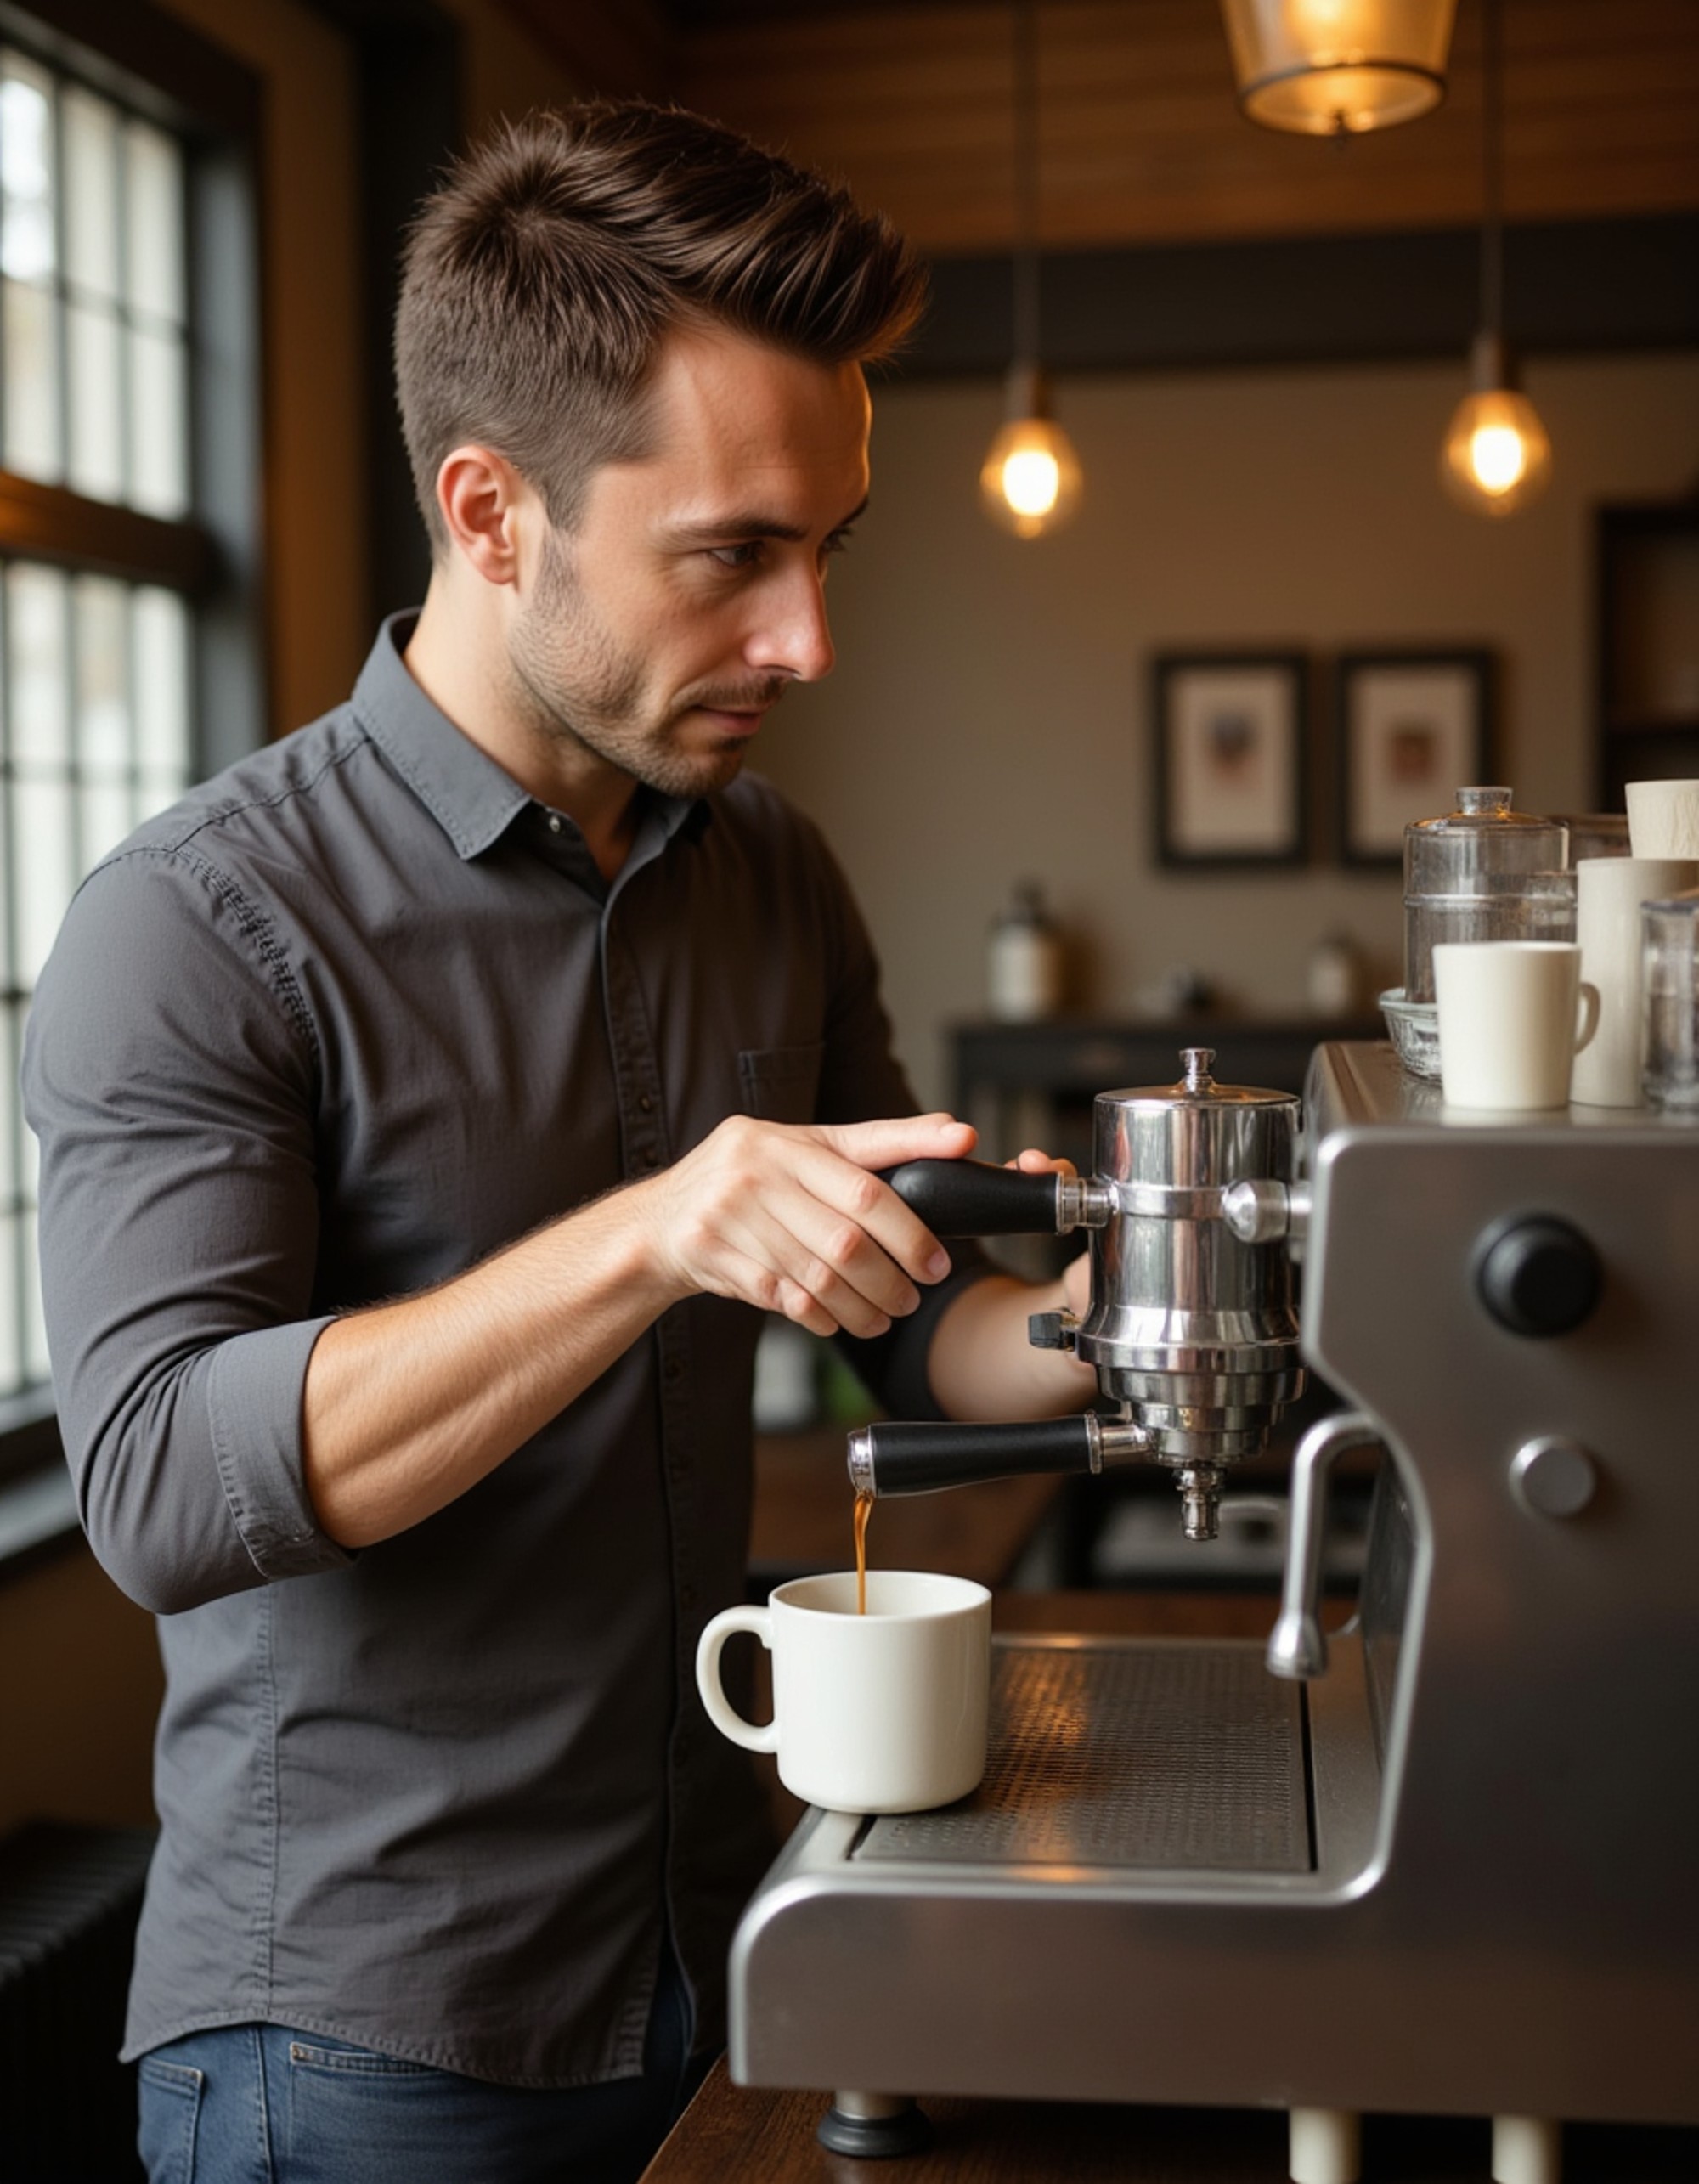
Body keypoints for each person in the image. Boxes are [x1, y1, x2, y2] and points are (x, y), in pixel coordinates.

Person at [23, 101, 1094, 2184]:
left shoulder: (769, 865)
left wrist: (1129, 1319)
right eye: (733, 557)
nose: (805, 642)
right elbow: (156, 1474)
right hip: (364, 2037)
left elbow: (920, 1326)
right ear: (491, 511)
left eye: (824, 551)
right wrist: (659, 1234)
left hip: (728, 1943)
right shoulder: (197, 916)